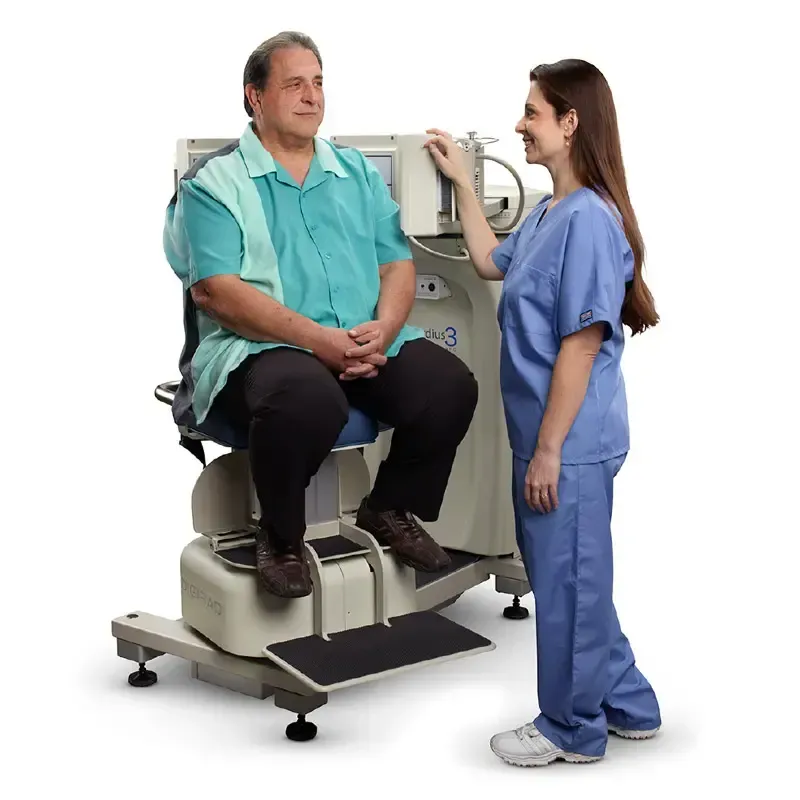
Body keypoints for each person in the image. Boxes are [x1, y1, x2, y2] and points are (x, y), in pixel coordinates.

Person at [163, 31, 478, 599]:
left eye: (318, 83)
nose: (311, 97)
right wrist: (319, 342)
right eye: (293, 85)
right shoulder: (214, 183)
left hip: (360, 339)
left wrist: (383, 329)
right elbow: (216, 291)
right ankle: (280, 540)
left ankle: (389, 508)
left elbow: (396, 264)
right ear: (254, 98)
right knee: (308, 398)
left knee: (448, 386)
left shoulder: (353, 172)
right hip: (259, 348)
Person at [425, 59, 662, 766]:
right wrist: (463, 184)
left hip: (571, 439)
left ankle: (572, 729)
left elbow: (582, 345)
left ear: (570, 122)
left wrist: (552, 449)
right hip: (547, 434)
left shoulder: (588, 220)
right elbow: (491, 260)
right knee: (572, 577)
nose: (519, 125)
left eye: (531, 112)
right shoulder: (552, 210)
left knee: (568, 583)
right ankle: (628, 703)